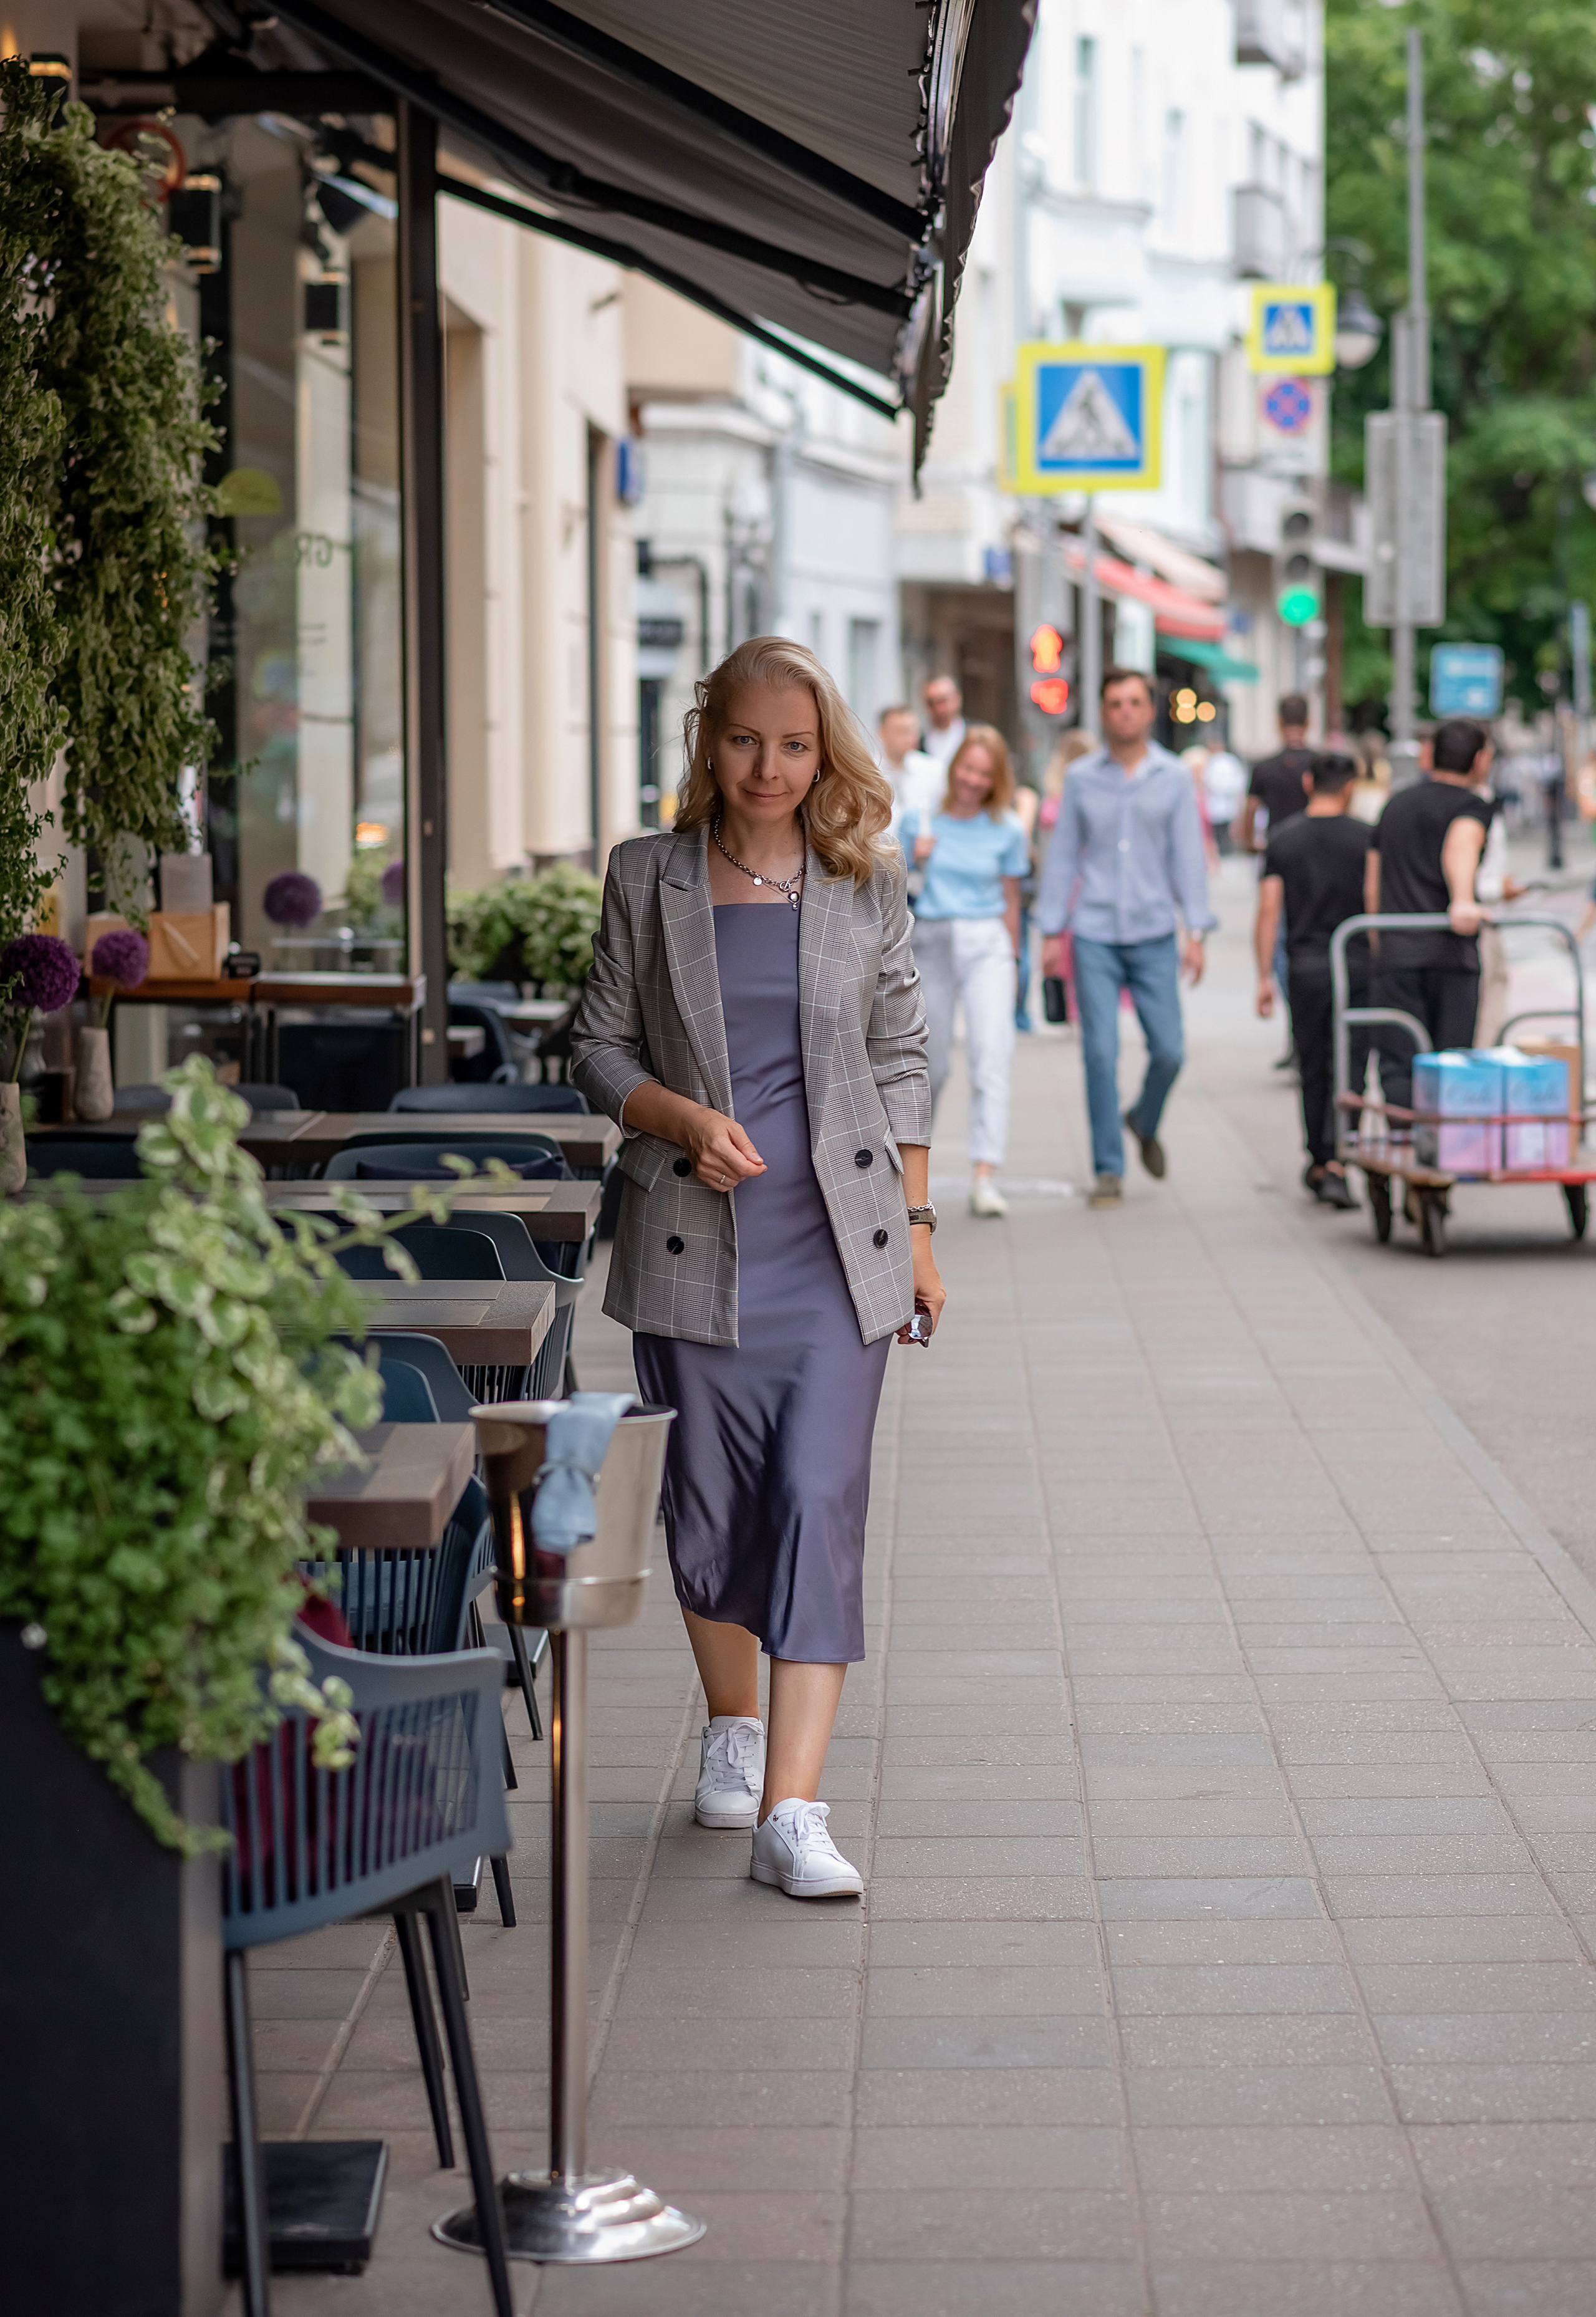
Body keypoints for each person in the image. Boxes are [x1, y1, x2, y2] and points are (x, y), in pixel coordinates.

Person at [571, 636, 944, 1903]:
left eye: (793, 743)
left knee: (817, 1492)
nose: (768, 766)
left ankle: (795, 1807)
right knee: (710, 1508)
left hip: (838, 1250)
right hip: (692, 1239)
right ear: (706, 741)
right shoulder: (645, 876)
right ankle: (730, 1724)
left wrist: (924, 1225)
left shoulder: (862, 885)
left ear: (823, 750)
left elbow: (902, 1055)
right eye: (745, 739)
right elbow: (595, 1047)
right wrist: (677, 1120)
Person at [1037, 667, 1217, 1208]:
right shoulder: (1082, 778)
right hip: (1092, 931)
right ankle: (1109, 1169)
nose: (1125, 712)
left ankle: (1144, 1117)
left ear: (1150, 709)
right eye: (1115, 703)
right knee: (1099, 1052)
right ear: (1103, 711)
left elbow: (1188, 854)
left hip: (1155, 931)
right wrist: (1050, 930)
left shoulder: (1174, 777)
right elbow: (1063, 854)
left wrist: (1198, 929)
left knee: (1169, 1050)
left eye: (1135, 702)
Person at [901, 726, 1030, 1218]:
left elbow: (1012, 901)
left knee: (991, 1058)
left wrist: (1015, 964)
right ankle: (909, 1177)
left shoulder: (1008, 828)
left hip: (987, 943)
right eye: (967, 768)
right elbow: (890, 889)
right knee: (930, 1067)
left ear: (995, 779)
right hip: (930, 938)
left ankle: (985, 1175)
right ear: (954, 767)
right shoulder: (920, 820)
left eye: (984, 773)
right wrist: (916, 857)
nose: (973, 780)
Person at [1254, 751, 1372, 1209]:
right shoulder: (1366, 837)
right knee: (1353, 1063)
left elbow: (1269, 910)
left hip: (1305, 966)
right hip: (1357, 961)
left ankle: (1319, 1159)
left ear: (1307, 783)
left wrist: (1264, 975)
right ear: (1350, 787)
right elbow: (1376, 898)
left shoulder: (1283, 839)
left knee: (1313, 1063)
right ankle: (1343, 1156)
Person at [1366, 715, 1496, 1124]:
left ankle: (1402, 1156)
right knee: (1450, 1064)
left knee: (1400, 1065)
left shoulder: (1395, 804)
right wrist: (1461, 899)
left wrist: (1378, 942)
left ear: (1430, 754)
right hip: (1450, 954)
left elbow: (1373, 883)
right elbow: (1462, 843)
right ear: (1478, 760)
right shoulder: (1472, 806)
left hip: (1397, 952)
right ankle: (1438, 1169)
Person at [875, 703, 942, 835]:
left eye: (912, 731)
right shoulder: (868, 773)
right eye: (900, 731)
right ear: (882, 732)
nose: (908, 738)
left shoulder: (934, 770)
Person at [921, 672, 966, 769]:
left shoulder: (975, 735)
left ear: (957, 699)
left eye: (943, 700)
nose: (939, 708)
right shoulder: (919, 743)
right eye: (932, 703)